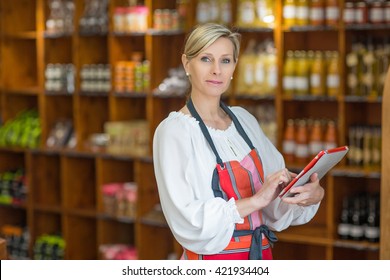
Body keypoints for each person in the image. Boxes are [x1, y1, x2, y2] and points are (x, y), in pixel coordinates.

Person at [152, 23, 324, 260]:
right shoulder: (174, 132)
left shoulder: (245, 121)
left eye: (225, 60)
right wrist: (254, 201)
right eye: (205, 59)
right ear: (186, 63)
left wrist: (305, 195)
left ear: (234, 66)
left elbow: (273, 209)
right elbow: (188, 221)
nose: (216, 70)